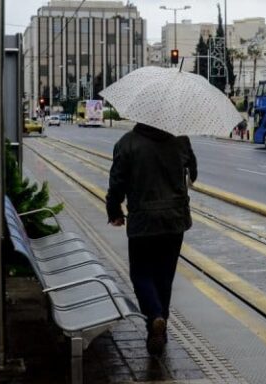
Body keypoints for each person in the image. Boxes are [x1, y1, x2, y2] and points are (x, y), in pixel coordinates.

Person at [106, 122, 197, 356]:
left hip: (143, 221)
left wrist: (114, 211)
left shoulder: (126, 143)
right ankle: (159, 330)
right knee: (164, 277)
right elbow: (193, 172)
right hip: (174, 220)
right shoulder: (181, 139)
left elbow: (117, 182)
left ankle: (155, 316)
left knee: (141, 274)